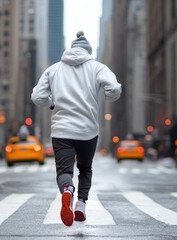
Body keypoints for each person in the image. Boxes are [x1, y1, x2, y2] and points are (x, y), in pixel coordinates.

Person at [31, 31, 122, 226]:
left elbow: (37, 97)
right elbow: (114, 89)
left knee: (64, 171)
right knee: (85, 168)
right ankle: (80, 203)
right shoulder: (98, 68)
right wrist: (101, 98)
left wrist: (52, 103)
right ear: (88, 52)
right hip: (88, 131)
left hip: (61, 130)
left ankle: (67, 191)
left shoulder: (53, 69)